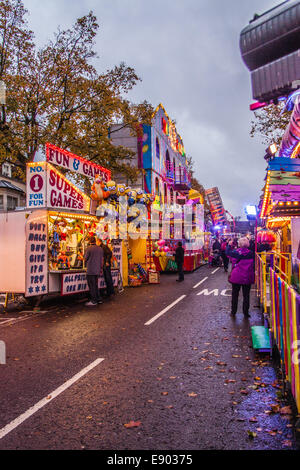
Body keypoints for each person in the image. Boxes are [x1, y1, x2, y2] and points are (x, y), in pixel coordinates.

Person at [226, 237, 255, 318]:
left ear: (239, 244)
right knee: (246, 295)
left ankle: (233, 311)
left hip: (236, 277)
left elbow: (227, 252)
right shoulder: (251, 254)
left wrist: (229, 244)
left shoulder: (235, 253)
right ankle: (246, 313)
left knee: (235, 295)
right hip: (247, 277)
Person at [84, 236, 104, 306]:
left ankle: (93, 300)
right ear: (95, 241)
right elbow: (102, 260)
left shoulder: (88, 249)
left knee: (92, 286)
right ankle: (99, 299)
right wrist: (101, 269)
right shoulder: (100, 249)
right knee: (95, 285)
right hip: (97, 269)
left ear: (89, 241)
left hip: (90, 270)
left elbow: (85, 259)